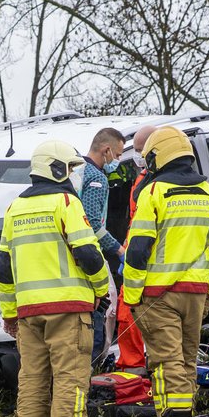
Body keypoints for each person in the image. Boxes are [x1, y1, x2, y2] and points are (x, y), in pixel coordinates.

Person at [0, 140, 111, 417]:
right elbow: (88, 253)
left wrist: (9, 312)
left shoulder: (14, 208)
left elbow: (3, 268)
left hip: (28, 313)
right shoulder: (65, 203)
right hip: (69, 309)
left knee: (32, 379)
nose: (74, 175)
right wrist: (101, 289)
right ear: (57, 169)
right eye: (71, 168)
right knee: (70, 378)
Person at [122, 126, 209, 417]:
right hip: (196, 294)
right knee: (185, 359)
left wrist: (132, 297)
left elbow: (137, 251)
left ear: (158, 157)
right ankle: (187, 416)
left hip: (157, 295)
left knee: (166, 359)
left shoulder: (153, 193)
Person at [113, 123, 158, 372]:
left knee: (139, 316)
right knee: (126, 314)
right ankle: (133, 368)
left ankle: (139, 368)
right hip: (134, 253)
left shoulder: (160, 183)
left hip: (151, 261)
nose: (138, 157)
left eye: (142, 150)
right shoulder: (142, 178)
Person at [80, 128, 126, 360]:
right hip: (90, 253)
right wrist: (119, 250)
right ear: (107, 150)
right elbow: (93, 224)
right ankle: (97, 361)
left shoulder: (75, 170)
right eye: (118, 155)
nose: (117, 161)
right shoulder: (96, 178)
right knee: (107, 305)